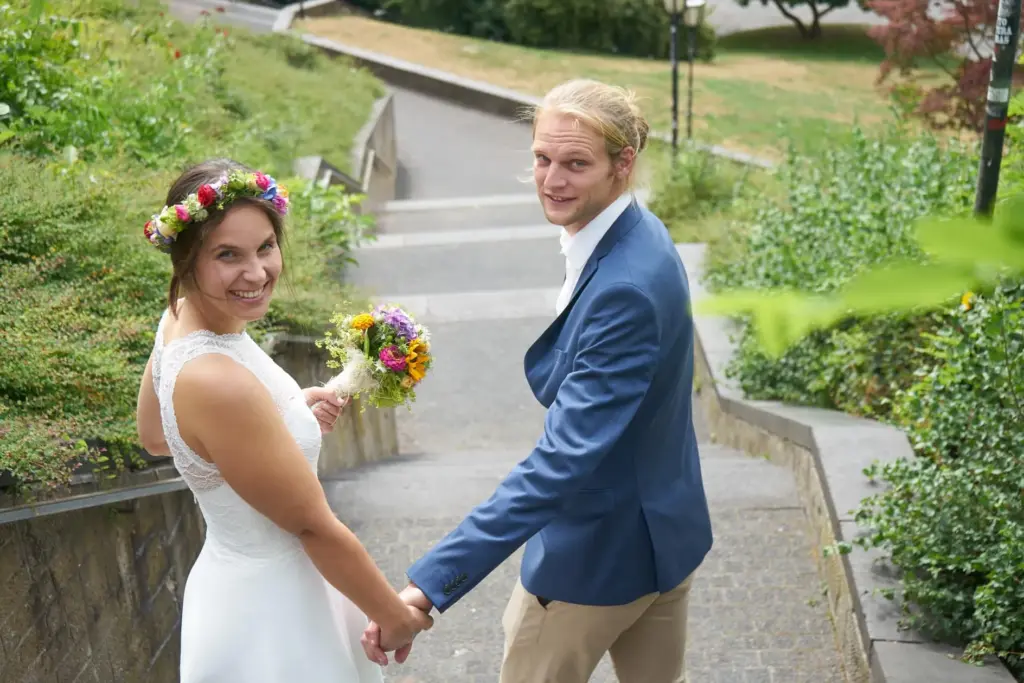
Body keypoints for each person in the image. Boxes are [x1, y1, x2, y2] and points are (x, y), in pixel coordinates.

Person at [361, 79, 714, 682]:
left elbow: (561, 463)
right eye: (542, 158)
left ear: (622, 164)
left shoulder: (623, 287)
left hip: (592, 566)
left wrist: (428, 586)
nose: (552, 181)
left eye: (576, 163)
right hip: (667, 543)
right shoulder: (640, 232)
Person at [134, 158, 432, 683]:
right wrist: (394, 615)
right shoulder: (216, 379)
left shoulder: (181, 314)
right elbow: (312, 526)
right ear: (185, 259)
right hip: (274, 609)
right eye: (228, 255)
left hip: (235, 584)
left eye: (265, 247)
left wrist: (284, 417)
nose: (256, 273)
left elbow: (160, 437)